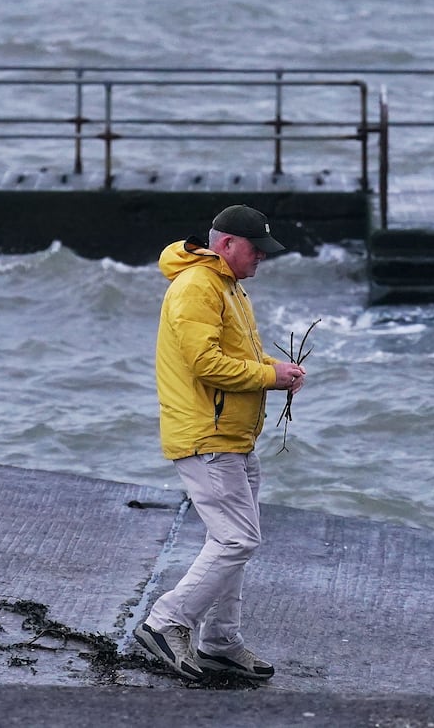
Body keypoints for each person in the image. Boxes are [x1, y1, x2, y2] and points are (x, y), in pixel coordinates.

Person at [132, 204, 305, 682]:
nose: (262, 259)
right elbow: (205, 364)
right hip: (206, 436)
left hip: (233, 436)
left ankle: (220, 641)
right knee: (237, 538)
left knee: (230, 540)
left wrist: (276, 367)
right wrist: (270, 375)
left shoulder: (226, 285)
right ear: (226, 244)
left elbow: (237, 354)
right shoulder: (196, 288)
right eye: (256, 250)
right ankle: (166, 623)